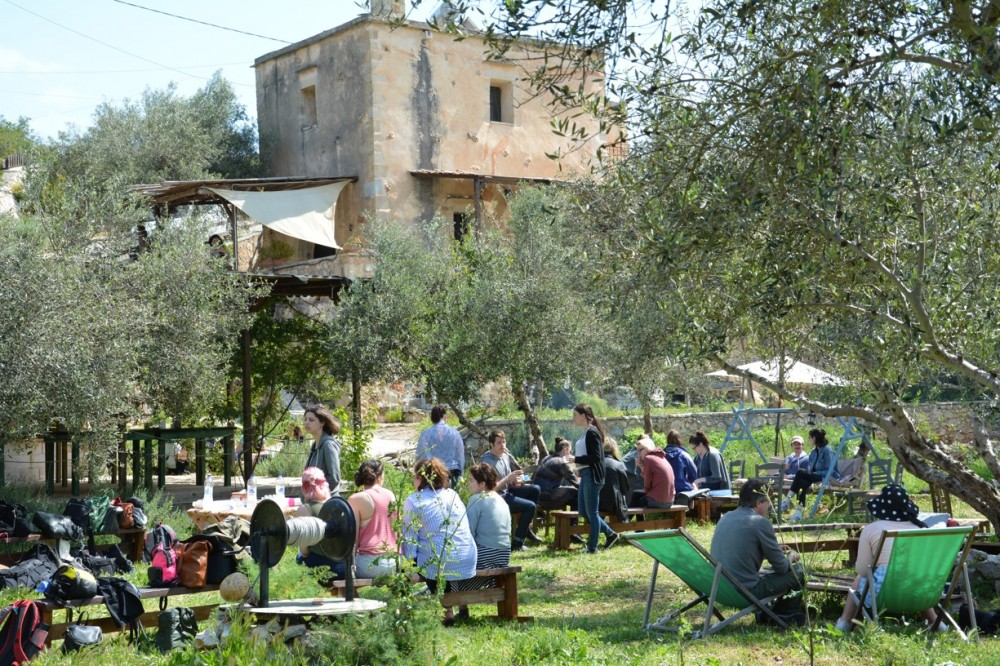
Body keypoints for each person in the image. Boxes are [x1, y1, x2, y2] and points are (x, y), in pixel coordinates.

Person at [834, 485, 942, 632]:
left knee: (859, 579)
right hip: (921, 592)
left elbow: (862, 570)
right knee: (912, 576)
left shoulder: (873, 529)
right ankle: (936, 622)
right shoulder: (921, 530)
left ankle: (843, 624)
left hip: (883, 596)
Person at [401, 457, 477, 625]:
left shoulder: (414, 500)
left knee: (431, 553)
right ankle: (451, 609)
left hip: (440, 560)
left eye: (415, 476)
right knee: (439, 547)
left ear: (421, 478)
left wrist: (411, 565)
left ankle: (442, 611)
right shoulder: (453, 495)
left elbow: (410, 539)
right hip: (467, 556)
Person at [710, 478, 804, 604]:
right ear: (759, 503)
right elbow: (781, 567)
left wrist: (772, 548)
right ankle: (786, 614)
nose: (769, 506)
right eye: (768, 502)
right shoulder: (760, 522)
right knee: (800, 570)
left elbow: (742, 548)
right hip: (745, 591)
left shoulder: (725, 517)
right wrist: (791, 556)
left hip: (720, 588)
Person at [461, 463, 512, 619]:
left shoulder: (477, 499)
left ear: (482, 484)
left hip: (486, 555)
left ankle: (462, 609)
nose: (468, 484)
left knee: (454, 568)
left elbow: (468, 534)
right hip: (503, 555)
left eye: (471, 481)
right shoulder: (500, 499)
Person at [480, 430, 544, 550]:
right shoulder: (486, 461)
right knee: (530, 506)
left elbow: (508, 481)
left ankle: (525, 528)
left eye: (504, 442)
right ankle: (517, 543)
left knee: (535, 489)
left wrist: (515, 480)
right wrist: (508, 478)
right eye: (499, 443)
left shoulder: (505, 456)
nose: (502, 445)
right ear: (491, 445)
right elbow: (489, 489)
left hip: (507, 492)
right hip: (495, 498)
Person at [572, 403, 620, 552]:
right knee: (583, 511)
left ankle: (592, 547)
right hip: (585, 474)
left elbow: (596, 457)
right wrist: (578, 466)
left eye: (575, 415)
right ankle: (611, 534)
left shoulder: (592, 432)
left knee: (592, 513)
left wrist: (575, 459)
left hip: (592, 476)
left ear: (583, 416)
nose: (573, 418)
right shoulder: (585, 432)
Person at [347, 460, 398, 579]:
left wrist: (350, 564)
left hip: (369, 563)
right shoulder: (391, 495)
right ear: (379, 477)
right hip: (392, 562)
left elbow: (354, 538)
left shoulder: (356, 499)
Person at [295, 467, 346, 579]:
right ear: (325, 484)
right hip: (344, 566)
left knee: (298, 560)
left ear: (304, 487)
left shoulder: (305, 509)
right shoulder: (338, 505)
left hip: (321, 567)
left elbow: (304, 551)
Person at [782, 428, 840, 521]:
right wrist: (810, 474)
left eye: (810, 437)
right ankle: (798, 514)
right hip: (815, 476)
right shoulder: (813, 452)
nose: (808, 439)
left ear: (815, 438)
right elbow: (809, 470)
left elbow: (829, 470)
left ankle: (787, 501)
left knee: (800, 471)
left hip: (826, 477)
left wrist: (813, 474)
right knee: (802, 483)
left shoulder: (827, 450)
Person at [416, 405, 466, 482]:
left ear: (432, 417)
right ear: (444, 416)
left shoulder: (426, 433)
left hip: (433, 472)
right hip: (452, 471)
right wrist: (461, 471)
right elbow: (460, 454)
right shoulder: (454, 433)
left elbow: (420, 454)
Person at [304, 405, 342, 495]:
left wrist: (319, 494)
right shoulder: (314, 446)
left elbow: (334, 478)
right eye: (305, 419)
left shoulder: (328, 444)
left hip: (327, 501)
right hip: (314, 500)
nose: (306, 422)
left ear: (322, 423)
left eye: (311, 420)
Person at [533, 437, 579, 510]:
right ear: (565, 449)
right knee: (576, 492)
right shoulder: (561, 462)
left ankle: (567, 519)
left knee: (571, 494)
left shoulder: (546, 458)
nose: (570, 454)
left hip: (537, 496)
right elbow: (575, 482)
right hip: (548, 498)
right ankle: (573, 520)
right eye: (570, 451)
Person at [636, 436, 676, 508]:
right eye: (637, 451)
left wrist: (646, 491)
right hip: (670, 501)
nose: (638, 453)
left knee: (636, 497)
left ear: (647, 448)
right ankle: (635, 519)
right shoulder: (662, 457)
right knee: (639, 497)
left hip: (659, 501)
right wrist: (642, 467)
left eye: (640, 450)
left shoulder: (648, 458)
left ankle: (626, 519)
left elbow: (647, 484)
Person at [599, 436, 631, 523]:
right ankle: (613, 533)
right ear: (614, 449)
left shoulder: (594, 464)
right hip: (613, 504)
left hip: (596, 501)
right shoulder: (618, 465)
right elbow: (625, 488)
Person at [664, 430, 698, 494]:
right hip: (682, 490)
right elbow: (694, 474)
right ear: (680, 440)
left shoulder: (661, 455)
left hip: (665, 491)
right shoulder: (684, 454)